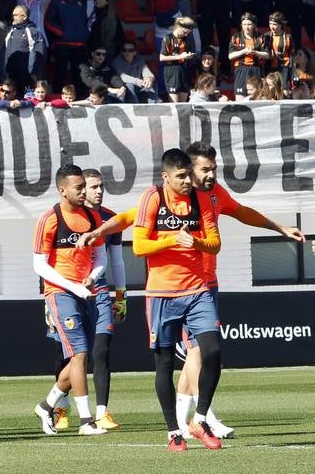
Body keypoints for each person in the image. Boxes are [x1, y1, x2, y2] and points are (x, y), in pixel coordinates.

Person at [80, 143, 303, 439]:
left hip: (205, 283)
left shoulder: (211, 196)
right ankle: (195, 421)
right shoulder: (162, 197)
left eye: (214, 169)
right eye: (204, 170)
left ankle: (193, 420)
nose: (210, 175)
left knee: (200, 353)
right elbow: (129, 217)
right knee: (194, 354)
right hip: (171, 288)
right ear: (186, 170)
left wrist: (279, 227)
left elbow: (241, 212)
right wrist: (99, 231)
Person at [128, 149, 225, 451]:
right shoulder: (152, 198)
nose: (187, 180)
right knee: (164, 364)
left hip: (197, 290)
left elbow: (215, 244)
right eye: (181, 176)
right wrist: (173, 239)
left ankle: (200, 420)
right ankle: (173, 432)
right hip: (162, 294)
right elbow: (138, 247)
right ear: (166, 176)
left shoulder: (201, 199)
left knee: (212, 350)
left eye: (188, 174)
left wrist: (195, 241)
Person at [29, 164, 108, 438]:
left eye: (85, 187)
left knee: (77, 360)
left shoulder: (92, 217)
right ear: (62, 190)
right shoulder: (49, 219)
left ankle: (46, 405)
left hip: (85, 293)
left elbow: (101, 256)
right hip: (59, 293)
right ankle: (86, 420)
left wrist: (92, 277)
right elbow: (39, 265)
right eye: (79, 187)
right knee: (80, 354)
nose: (85, 191)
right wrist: (71, 285)